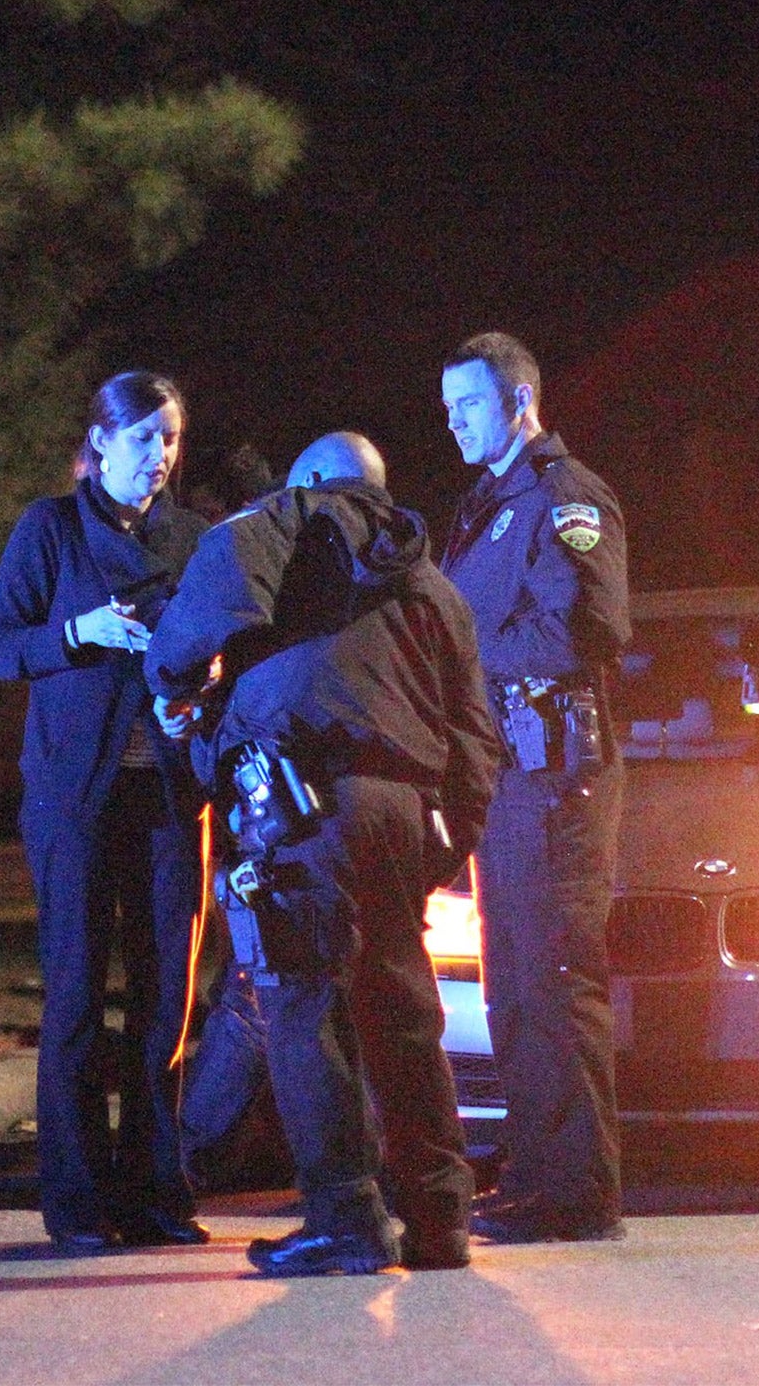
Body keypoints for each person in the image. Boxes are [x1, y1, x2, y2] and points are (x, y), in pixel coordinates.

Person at [148, 431, 503, 1276]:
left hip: (298, 806)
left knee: (306, 1012)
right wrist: (445, 845)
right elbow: (475, 733)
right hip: (401, 811)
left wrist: (178, 698)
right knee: (402, 1005)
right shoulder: (432, 584)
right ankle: (438, 1217)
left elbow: (180, 647)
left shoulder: (272, 530)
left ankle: (345, 1218)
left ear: (309, 481)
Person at [0, 371, 210, 1251]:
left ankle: (157, 1193)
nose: (160, 457)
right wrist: (82, 633)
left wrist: (206, 673)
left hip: (168, 796)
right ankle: (77, 1203)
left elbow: (224, 636)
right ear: (102, 442)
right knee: (76, 998)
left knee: (164, 1001)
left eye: (172, 440)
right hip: (78, 799)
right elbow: (0, 649)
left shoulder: (190, 539)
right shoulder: (50, 529)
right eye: (145, 438)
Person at [438, 331, 631, 1244]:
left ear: (519, 402)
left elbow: (585, 629)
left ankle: (575, 1193)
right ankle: (535, 1176)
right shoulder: (488, 508)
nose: (454, 423)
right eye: (447, 409)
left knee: (553, 983)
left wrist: (462, 660)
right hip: (506, 775)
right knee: (514, 985)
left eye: (468, 405)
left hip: (555, 774)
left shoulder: (565, 499)